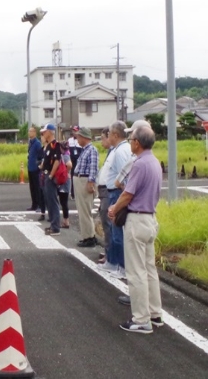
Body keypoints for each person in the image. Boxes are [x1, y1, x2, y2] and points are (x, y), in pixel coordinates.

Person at [108, 125, 163, 334]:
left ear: (137, 143)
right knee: (149, 269)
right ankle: (155, 312)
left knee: (136, 271)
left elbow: (128, 194)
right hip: (150, 219)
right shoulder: (155, 162)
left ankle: (141, 319)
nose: (130, 142)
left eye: (131, 139)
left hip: (137, 220)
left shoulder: (139, 165)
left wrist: (114, 208)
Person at [103, 121, 132, 280]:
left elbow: (124, 179)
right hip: (115, 193)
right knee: (116, 231)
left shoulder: (121, 151)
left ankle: (121, 266)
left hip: (117, 194)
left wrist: (123, 198)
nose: (107, 137)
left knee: (117, 232)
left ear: (115, 135)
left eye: (109, 134)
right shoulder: (123, 149)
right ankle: (117, 264)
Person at [72, 126, 99, 247]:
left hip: (84, 180)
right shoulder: (85, 149)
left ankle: (90, 237)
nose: (77, 139)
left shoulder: (92, 150)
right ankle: (87, 235)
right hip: (80, 179)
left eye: (78, 136)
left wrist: (90, 182)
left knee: (85, 210)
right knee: (82, 210)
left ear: (84, 137)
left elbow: (93, 168)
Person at [39, 123, 61, 236]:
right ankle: (53, 224)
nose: (43, 133)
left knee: (53, 201)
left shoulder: (55, 145)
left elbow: (57, 161)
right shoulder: (48, 145)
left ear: (50, 132)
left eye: (45, 131)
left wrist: (51, 175)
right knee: (48, 201)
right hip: (45, 174)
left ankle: (56, 227)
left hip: (50, 176)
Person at [96, 127, 113, 264]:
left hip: (109, 191)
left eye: (102, 138)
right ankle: (108, 251)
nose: (102, 142)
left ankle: (111, 255)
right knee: (106, 224)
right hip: (104, 191)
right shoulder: (111, 152)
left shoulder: (117, 152)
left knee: (108, 224)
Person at [26, 127, 43, 211]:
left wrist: (38, 164)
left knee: (37, 187)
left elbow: (40, 155)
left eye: (31, 131)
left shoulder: (37, 143)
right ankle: (34, 204)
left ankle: (40, 205)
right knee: (32, 187)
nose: (29, 133)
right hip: (30, 167)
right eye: (29, 131)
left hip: (36, 168)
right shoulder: (30, 142)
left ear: (35, 133)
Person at [57, 141, 73, 229]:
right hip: (65, 181)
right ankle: (65, 220)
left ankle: (66, 221)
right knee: (63, 201)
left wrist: (65, 173)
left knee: (63, 201)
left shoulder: (65, 155)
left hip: (64, 182)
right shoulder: (66, 154)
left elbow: (69, 165)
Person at [68, 126, 82, 199]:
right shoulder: (70, 140)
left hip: (79, 161)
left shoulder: (81, 140)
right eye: (73, 131)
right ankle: (73, 193)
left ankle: (78, 193)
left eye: (76, 131)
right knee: (73, 177)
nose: (74, 132)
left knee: (79, 178)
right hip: (72, 161)